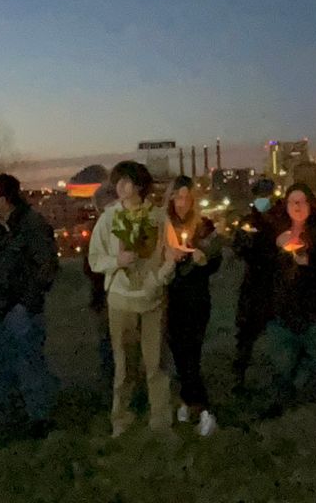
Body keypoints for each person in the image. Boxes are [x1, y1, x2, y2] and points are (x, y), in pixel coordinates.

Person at [87, 161, 173, 437]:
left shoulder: (158, 218)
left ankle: (160, 420)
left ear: (139, 186)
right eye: (118, 182)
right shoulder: (109, 218)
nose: (120, 188)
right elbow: (95, 259)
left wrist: (159, 279)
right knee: (123, 365)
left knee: (155, 363)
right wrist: (117, 261)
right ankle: (121, 421)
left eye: (126, 182)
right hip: (121, 300)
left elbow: (170, 254)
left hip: (152, 299)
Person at [0, 173, 60, 439]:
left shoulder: (32, 225)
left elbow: (46, 267)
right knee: (1, 365)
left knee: (29, 363)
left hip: (22, 309)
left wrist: (26, 303)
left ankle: (38, 419)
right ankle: (7, 417)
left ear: (3, 197)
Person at [262, 184, 316, 419]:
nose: (297, 207)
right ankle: (279, 402)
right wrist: (277, 248)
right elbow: (263, 265)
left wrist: (311, 259)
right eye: (293, 202)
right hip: (284, 307)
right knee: (282, 360)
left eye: (302, 202)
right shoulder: (277, 230)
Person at [161, 176, 223, 436]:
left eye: (187, 197)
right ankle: (188, 401)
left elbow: (216, 261)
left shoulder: (204, 226)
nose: (182, 203)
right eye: (177, 197)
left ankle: (205, 409)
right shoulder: (163, 226)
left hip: (195, 300)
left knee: (191, 356)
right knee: (179, 354)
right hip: (169, 299)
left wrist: (202, 259)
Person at [231, 178, 281, 390]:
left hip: (277, 280)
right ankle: (239, 376)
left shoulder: (279, 219)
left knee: (279, 330)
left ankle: (281, 376)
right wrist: (245, 242)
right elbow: (238, 249)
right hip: (254, 281)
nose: (264, 198)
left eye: (267, 194)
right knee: (247, 333)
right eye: (261, 194)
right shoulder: (248, 220)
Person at [82, 182, 118, 388]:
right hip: (106, 294)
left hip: (107, 294)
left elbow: (90, 267)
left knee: (111, 343)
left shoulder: (98, 228)